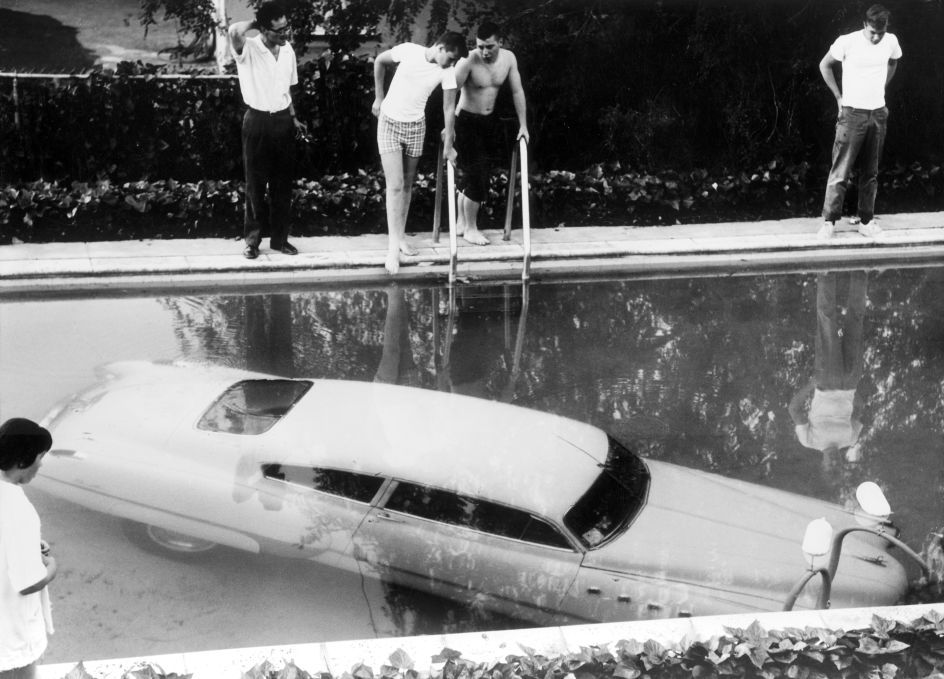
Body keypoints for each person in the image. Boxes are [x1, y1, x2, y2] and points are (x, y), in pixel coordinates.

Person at [372, 32, 468, 274]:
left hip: (416, 127)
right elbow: (379, 62)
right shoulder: (408, 51)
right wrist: (378, 97)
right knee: (395, 184)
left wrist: (448, 146)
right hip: (389, 122)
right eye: (452, 58)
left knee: (406, 185)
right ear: (441, 47)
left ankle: (400, 236)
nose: (453, 64)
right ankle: (393, 248)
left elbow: (448, 107)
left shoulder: (446, 71)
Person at [229, 1, 308, 260]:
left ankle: (280, 240)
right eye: (278, 30)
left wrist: (293, 117)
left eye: (286, 28)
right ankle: (252, 241)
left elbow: (287, 90)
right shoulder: (248, 48)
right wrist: (255, 22)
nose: (285, 34)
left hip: (283, 122)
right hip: (257, 122)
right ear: (262, 29)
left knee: (282, 184)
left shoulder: (288, 51)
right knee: (255, 185)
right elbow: (233, 32)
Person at [817, 4, 902, 240]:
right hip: (851, 113)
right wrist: (838, 97)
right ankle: (829, 222)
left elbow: (893, 62)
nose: (876, 37)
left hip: (878, 113)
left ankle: (866, 221)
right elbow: (824, 65)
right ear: (864, 25)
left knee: (870, 172)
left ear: (886, 28)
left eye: (881, 32)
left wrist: (881, 87)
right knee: (841, 170)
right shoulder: (848, 41)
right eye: (872, 31)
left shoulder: (891, 41)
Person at [445, 21, 529, 246]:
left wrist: (523, 125)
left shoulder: (509, 59)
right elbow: (449, 96)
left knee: (476, 174)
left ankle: (462, 223)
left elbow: (517, 90)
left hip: (489, 123)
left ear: (500, 42)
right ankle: (471, 228)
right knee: (479, 176)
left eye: (489, 46)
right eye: (480, 46)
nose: (484, 51)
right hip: (466, 122)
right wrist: (449, 128)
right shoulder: (468, 61)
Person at [789, 271, 868, 474]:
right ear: (842, 463)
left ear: (822, 464)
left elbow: (794, 409)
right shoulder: (850, 439)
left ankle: (826, 272)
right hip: (850, 380)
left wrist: (812, 384)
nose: (834, 462)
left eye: (829, 465)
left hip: (827, 381)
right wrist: (852, 391)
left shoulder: (809, 441)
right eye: (838, 465)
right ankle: (862, 272)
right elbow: (860, 411)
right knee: (856, 321)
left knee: (826, 322)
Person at [1, 418, 57, 679]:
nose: (41, 464)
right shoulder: (15, 506)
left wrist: (28, 544)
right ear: (23, 460)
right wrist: (51, 566)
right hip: (10, 638)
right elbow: (28, 583)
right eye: (39, 457)